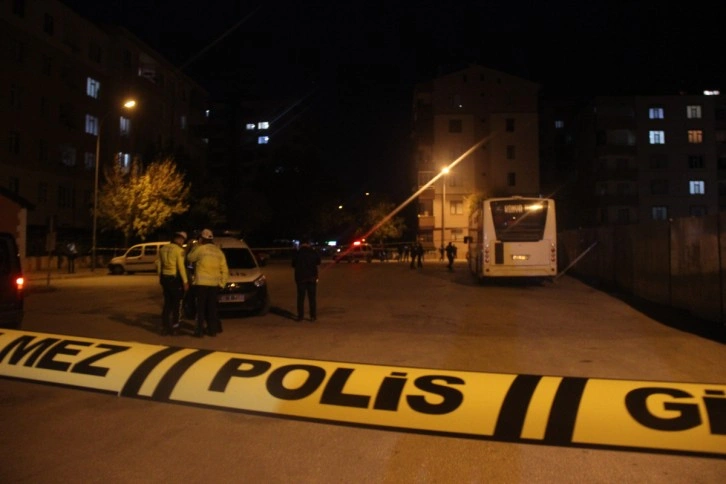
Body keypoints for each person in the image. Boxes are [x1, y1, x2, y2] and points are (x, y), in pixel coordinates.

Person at [186, 229, 229, 337]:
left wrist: (195, 246)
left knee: (200, 309)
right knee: (211, 308)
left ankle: (199, 332)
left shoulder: (200, 249)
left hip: (201, 284)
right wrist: (222, 284)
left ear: (201, 238)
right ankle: (212, 331)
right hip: (214, 285)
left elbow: (190, 258)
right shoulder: (218, 252)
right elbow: (225, 270)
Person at [156, 231, 189, 335]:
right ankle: (175, 327)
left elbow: (159, 264)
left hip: (165, 279)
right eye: (183, 240)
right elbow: (181, 267)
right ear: (180, 239)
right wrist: (185, 282)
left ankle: (165, 327)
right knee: (177, 304)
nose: (182, 242)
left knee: (167, 304)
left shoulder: (163, 249)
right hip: (175, 280)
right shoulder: (179, 250)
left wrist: (160, 277)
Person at [292, 239, 321, 322]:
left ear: (301, 244)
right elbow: (318, 262)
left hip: (301, 278)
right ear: (308, 244)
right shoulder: (313, 252)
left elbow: (293, 264)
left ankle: (300, 316)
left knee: (300, 298)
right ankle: (313, 316)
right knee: (312, 298)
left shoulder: (297, 253)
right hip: (312, 277)